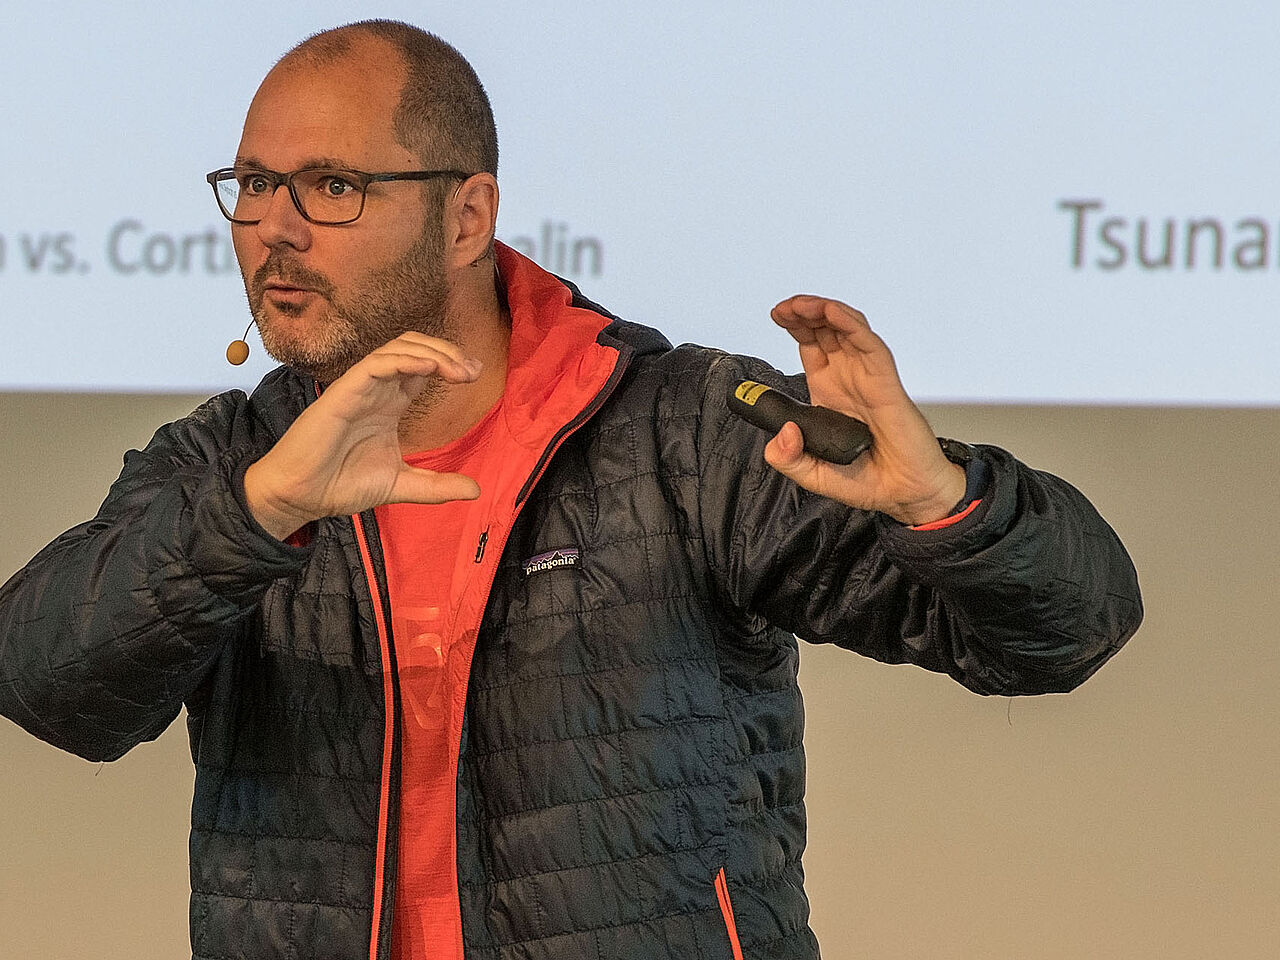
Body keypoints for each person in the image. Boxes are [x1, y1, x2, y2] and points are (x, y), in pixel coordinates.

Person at [0, 19, 1142, 960]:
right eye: (252, 184)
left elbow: (1060, 634)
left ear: (466, 216)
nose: (273, 230)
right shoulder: (232, 469)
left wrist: (940, 501)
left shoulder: (679, 429)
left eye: (331, 185)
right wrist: (256, 518)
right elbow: (50, 687)